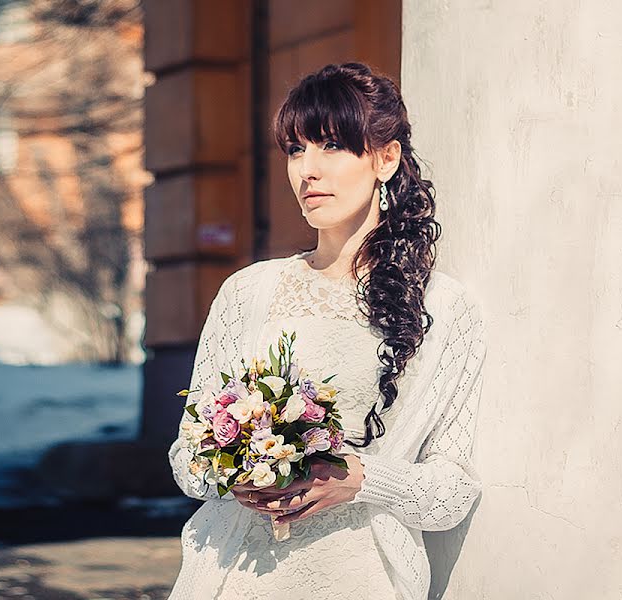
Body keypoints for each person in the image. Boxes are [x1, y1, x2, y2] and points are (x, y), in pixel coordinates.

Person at [167, 62, 487, 600]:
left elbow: (453, 491)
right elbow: (186, 455)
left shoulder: (446, 308)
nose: (306, 171)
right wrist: (236, 472)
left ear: (386, 159)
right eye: (296, 150)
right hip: (233, 574)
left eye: (331, 146)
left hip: (358, 577)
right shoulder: (249, 292)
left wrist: (360, 479)